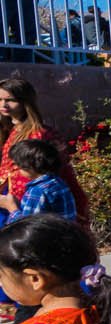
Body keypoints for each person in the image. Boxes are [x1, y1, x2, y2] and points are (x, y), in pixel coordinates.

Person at [0, 78, 89, 229]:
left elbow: (59, 170)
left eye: (10, 100)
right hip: (7, 199)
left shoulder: (40, 134)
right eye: (0, 99)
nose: (3, 105)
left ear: (25, 102)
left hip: (28, 201)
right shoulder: (9, 129)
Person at [0, 139, 80, 224]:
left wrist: (11, 208)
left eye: (19, 165)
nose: (16, 168)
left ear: (30, 167)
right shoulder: (56, 182)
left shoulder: (37, 191)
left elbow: (28, 227)